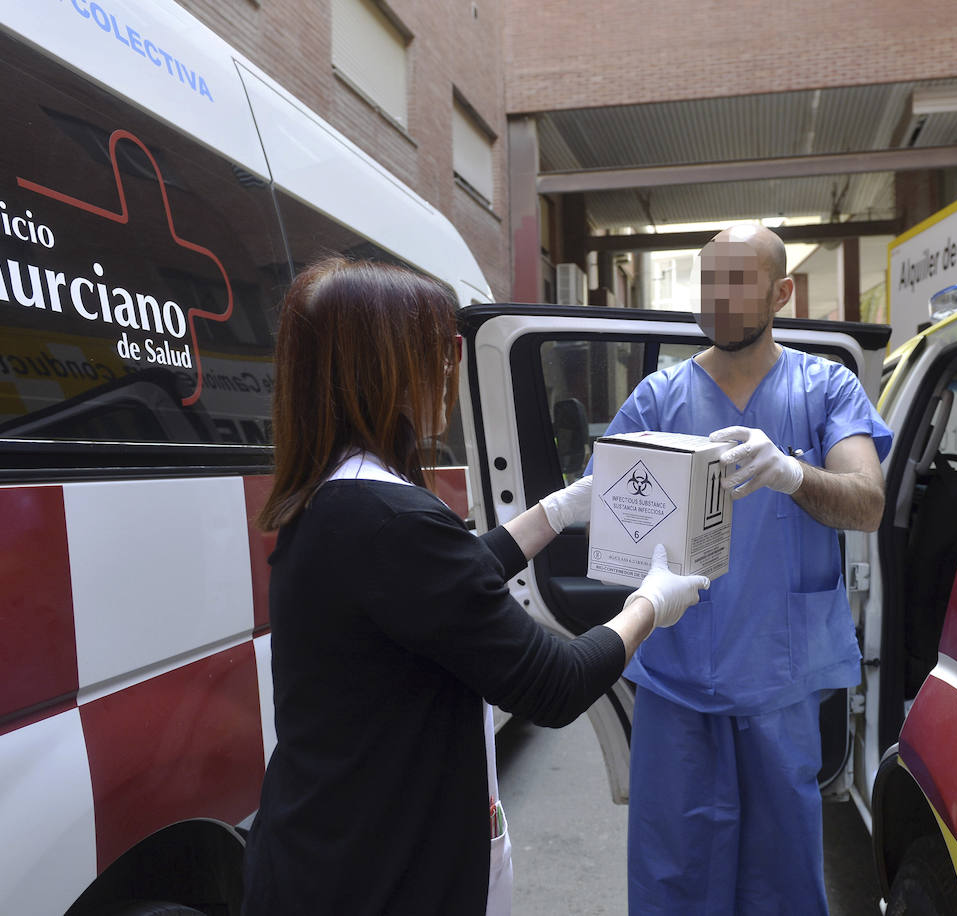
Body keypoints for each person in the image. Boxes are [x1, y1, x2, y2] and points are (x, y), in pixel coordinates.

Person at [242, 257, 711, 916]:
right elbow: (555, 684)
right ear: (387, 369)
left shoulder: (337, 494)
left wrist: (556, 512)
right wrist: (649, 604)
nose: (447, 374)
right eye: (437, 354)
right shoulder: (390, 518)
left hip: (325, 849)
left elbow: (442, 589)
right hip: (374, 878)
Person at [596, 225, 891, 914]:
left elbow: (868, 504)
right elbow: (613, 521)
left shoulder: (825, 389)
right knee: (674, 880)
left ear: (781, 291)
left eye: (736, 280)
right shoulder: (657, 399)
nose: (716, 298)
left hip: (779, 684)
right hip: (676, 685)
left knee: (780, 883)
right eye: (707, 282)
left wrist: (791, 474)